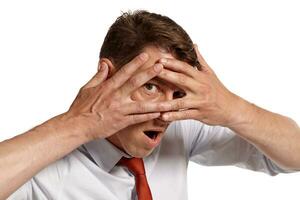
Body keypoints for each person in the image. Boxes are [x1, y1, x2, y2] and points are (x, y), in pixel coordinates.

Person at [1, 10, 299, 200]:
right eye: (151, 87)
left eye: (177, 92)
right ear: (108, 76)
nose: (165, 111)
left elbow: (295, 155)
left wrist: (231, 108)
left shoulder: (180, 130)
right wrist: (79, 124)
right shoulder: (43, 166)